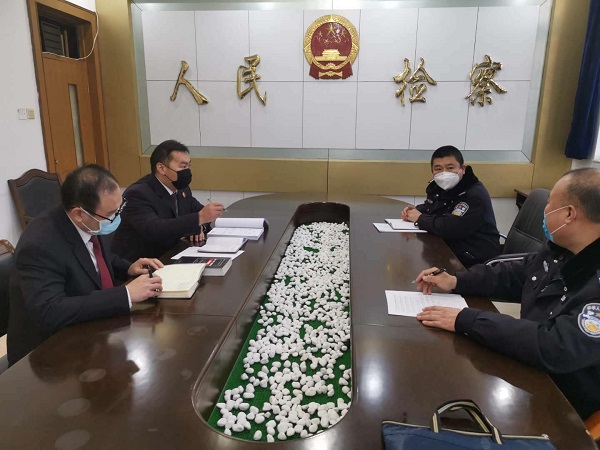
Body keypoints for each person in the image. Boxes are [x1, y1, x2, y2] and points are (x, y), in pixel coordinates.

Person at [414, 168, 600, 420]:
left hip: (566, 405)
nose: (545, 210)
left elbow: (555, 346)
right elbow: (513, 275)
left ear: (568, 214)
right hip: (530, 368)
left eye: (549, 204)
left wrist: (468, 319)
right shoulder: (562, 250)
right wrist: (456, 281)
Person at [8, 164, 164, 365]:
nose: (116, 217)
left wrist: (127, 267)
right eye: (111, 213)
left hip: (93, 331)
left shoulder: (93, 222)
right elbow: (49, 310)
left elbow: (93, 257)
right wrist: (125, 294)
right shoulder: (39, 245)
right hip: (48, 358)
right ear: (79, 214)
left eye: (120, 208)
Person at [111, 139, 224, 261]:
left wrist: (200, 226)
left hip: (173, 255)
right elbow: (154, 229)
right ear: (161, 168)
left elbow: (202, 213)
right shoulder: (138, 194)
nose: (187, 171)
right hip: (142, 264)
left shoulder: (181, 189)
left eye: (189, 166)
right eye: (183, 166)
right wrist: (198, 219)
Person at [401, 145, 501, 267]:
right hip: (451, 252)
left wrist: (420, 218)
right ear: (432, 172)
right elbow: (434, 208)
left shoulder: (474, 195)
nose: (444, 173)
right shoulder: (444, 188)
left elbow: (452, 227)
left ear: (462, 169)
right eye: (438, 169)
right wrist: (415, 210)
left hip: (474, 262)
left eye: (450, 168)